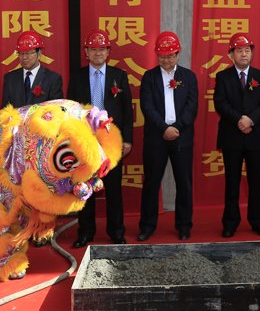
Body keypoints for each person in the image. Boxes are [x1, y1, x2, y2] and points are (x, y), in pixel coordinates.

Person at [69, 30, 134, 247]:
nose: (98, 53)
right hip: (86, 142)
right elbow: (71, 111)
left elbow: (127, 111)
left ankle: (116, 232)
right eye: (93, 49)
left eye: (102, 49)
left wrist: (127, 140)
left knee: (113, 189)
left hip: (111, 142)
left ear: (108, 52)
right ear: (86, 52)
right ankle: (85, 232)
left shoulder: (119, 76)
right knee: (85, 188)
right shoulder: (77, 77)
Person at [138, 31, 198, 241]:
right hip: (156, 137)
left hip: (182, 137)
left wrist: (176, 127)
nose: (166, 60)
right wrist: (164, 128)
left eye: (170, 55)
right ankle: (147, 226)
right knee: (151, 183)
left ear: (178, 54)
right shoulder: (149, 77)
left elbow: (192, 107)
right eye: (162, 56)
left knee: (184, 183)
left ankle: (184, 225)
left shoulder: (188, 77)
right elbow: (147, 106)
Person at [213, 32, 260, 238]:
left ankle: (257, 221)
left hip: (255, 136)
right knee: (232, 182)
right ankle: (230, 222)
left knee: (256, 182)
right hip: (232, 135)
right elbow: (220, 103)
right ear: (231, 54)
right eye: (239, 51)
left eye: (247, 50)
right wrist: (239, 119)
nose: (244, 54)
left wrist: (250, 120)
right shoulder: (223, 77)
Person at [1, 31, 63, 108]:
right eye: (21, 53)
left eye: (28, 53)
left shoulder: (53, 79)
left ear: (39, 53)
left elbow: (56, 110)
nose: (24, 57)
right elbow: (5, 109)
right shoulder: (10, 78)